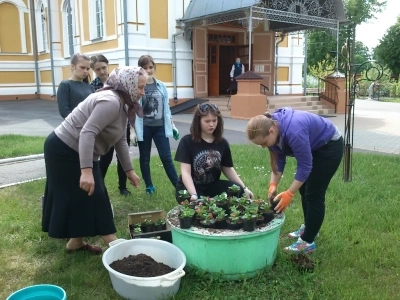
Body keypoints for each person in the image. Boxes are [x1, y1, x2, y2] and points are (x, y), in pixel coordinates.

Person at [42, 67, 146, 254]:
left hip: (78, 149)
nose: (142, 92)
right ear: (128, 85)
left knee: (85, 195)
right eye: (140, 87)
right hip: (64, 149)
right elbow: (87, 132)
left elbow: (120, 139)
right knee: (94, 194)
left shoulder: (123, 102)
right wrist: (87, 171)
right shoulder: (111, 101)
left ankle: (76, 243)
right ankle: (113, 243)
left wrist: (129, 171)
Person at [246, 107, 343, 254]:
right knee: (304, 188)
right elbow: (279, 162)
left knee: (314, 193)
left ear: (271, 131)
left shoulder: (294, 132)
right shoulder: (273, 129)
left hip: (329, 146)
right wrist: (273, 185)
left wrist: (289, 193)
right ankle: (310, 228)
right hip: (315, 145)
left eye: (264, 142)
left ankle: (307, 242)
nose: (263, 146)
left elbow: (305, 166)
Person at [174, 103, 254, 203]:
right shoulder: (186, 141)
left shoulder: (222, 143)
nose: (211, 124)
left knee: (237, 189)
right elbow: (185, 172)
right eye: (207, 121)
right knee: (196, 203)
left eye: (214, 120)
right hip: (189, 187)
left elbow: (227, 168)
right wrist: (194, 195)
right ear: (198, 122)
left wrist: (244, 188)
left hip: (212, 186)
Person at [135, 55, 179, 195]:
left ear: (154, 67)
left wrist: (172, 125)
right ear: (140, 69)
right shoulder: (137, 85)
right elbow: (132, 108)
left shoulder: (160, 85)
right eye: (145, 67)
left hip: (160, 127)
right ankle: (149, 186)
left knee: (166, 157)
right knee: (145, 158)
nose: (148, 70)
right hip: (144, 127)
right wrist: (131, 130)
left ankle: (179, 187)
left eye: (150, 67)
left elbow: (166, 107)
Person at [90, 54, 132, 196]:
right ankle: (99, 186)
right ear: (93, 71)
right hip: (104, 130)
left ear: (108, 66)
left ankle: (123, 187)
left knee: (122, 158)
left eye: (103, 68)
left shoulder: (118, 83)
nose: (102, 71)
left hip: (121, 126)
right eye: (98, 69)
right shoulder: (92, 87)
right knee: (105, 159)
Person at [57, 53, 95, 118]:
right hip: (74, 126)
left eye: (88, 69)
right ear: (72, 66)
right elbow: (64, 111)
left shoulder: (90, 87)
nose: (85, 71)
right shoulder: (65, 85)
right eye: (82, 68)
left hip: (90, 125)